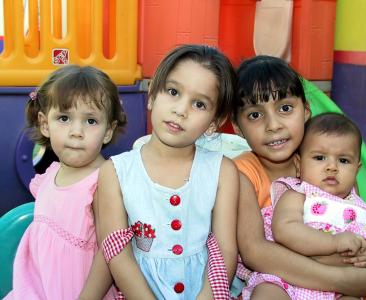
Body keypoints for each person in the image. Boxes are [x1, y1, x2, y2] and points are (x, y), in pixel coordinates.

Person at [232, 55, 366, 299]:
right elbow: (255, 251)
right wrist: (339, 279)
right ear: (237, 127)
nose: (273, 125)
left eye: (285, 108)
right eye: (255, 115)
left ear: (305, 111)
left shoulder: (332, 168)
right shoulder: (240, 175)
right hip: (278, 281)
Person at [96, 44, 239, 299]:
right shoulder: (115, 172)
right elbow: (117, 254)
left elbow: (225, 251)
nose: (180, 110)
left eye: (199, 104)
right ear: (152, 95)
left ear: (214, 123)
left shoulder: (222, 171)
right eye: (173, 92)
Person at [5, 65, 127, 300]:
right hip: (38, 288)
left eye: (91, 121)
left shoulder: (103, 182)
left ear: (108, 131)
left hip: (77, 291)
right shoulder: (51, 174)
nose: (76, 131)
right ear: (44, 124)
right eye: (64, 118)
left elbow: (109, 252)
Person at [247, 112, 366, 299]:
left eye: (343, 160)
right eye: (320, 158)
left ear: (357, 169)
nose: (332, 167)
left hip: (342, 291)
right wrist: (334, 243)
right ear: (298, 163)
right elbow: (285, 230)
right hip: (288, 280)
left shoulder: (360, 208)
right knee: (268, 292)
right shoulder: (297, 194)